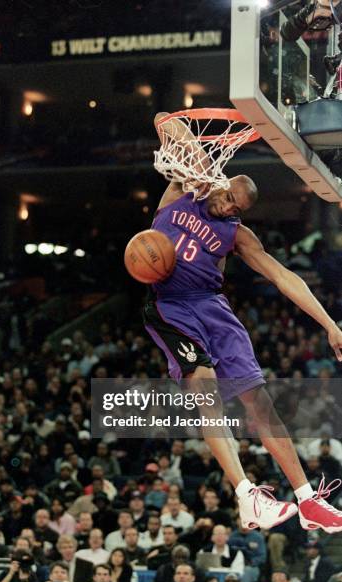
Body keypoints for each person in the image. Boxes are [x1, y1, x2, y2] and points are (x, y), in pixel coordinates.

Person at [143, 111, 342, 533]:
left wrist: (329, 324)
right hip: (172, 305)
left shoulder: (236, 234)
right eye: (229, 197)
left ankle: (307, 501)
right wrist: (204, 162)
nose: (229, 206)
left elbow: (283, 277)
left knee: (260, 402)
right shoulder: (182, 188)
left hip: (213, 307)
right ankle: (246, 495)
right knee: (206, 389)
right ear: (223, 182)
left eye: (238, 207)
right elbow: (165, 121)